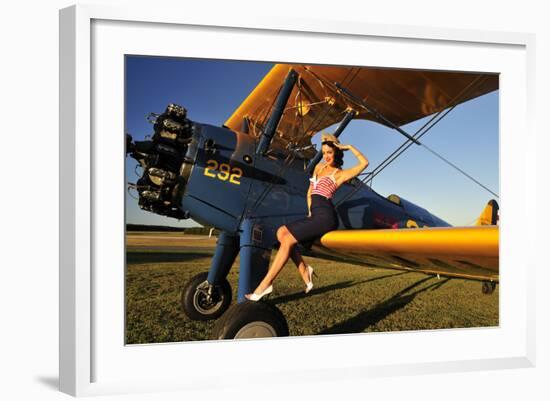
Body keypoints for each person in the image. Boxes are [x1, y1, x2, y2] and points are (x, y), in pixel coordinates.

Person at [245, 133, 369, 301]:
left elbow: (364, 163)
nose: (326, 156)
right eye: (324, 152)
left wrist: (348, 147)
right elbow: (310, 192)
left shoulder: (339, 174)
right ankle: (305, 270)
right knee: (282, 233)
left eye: (330, 153)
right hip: (315, 213)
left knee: (287, 240)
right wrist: (310, 211)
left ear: (337, 153)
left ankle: (265, 285)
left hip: (326, 216)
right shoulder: (318, 168)